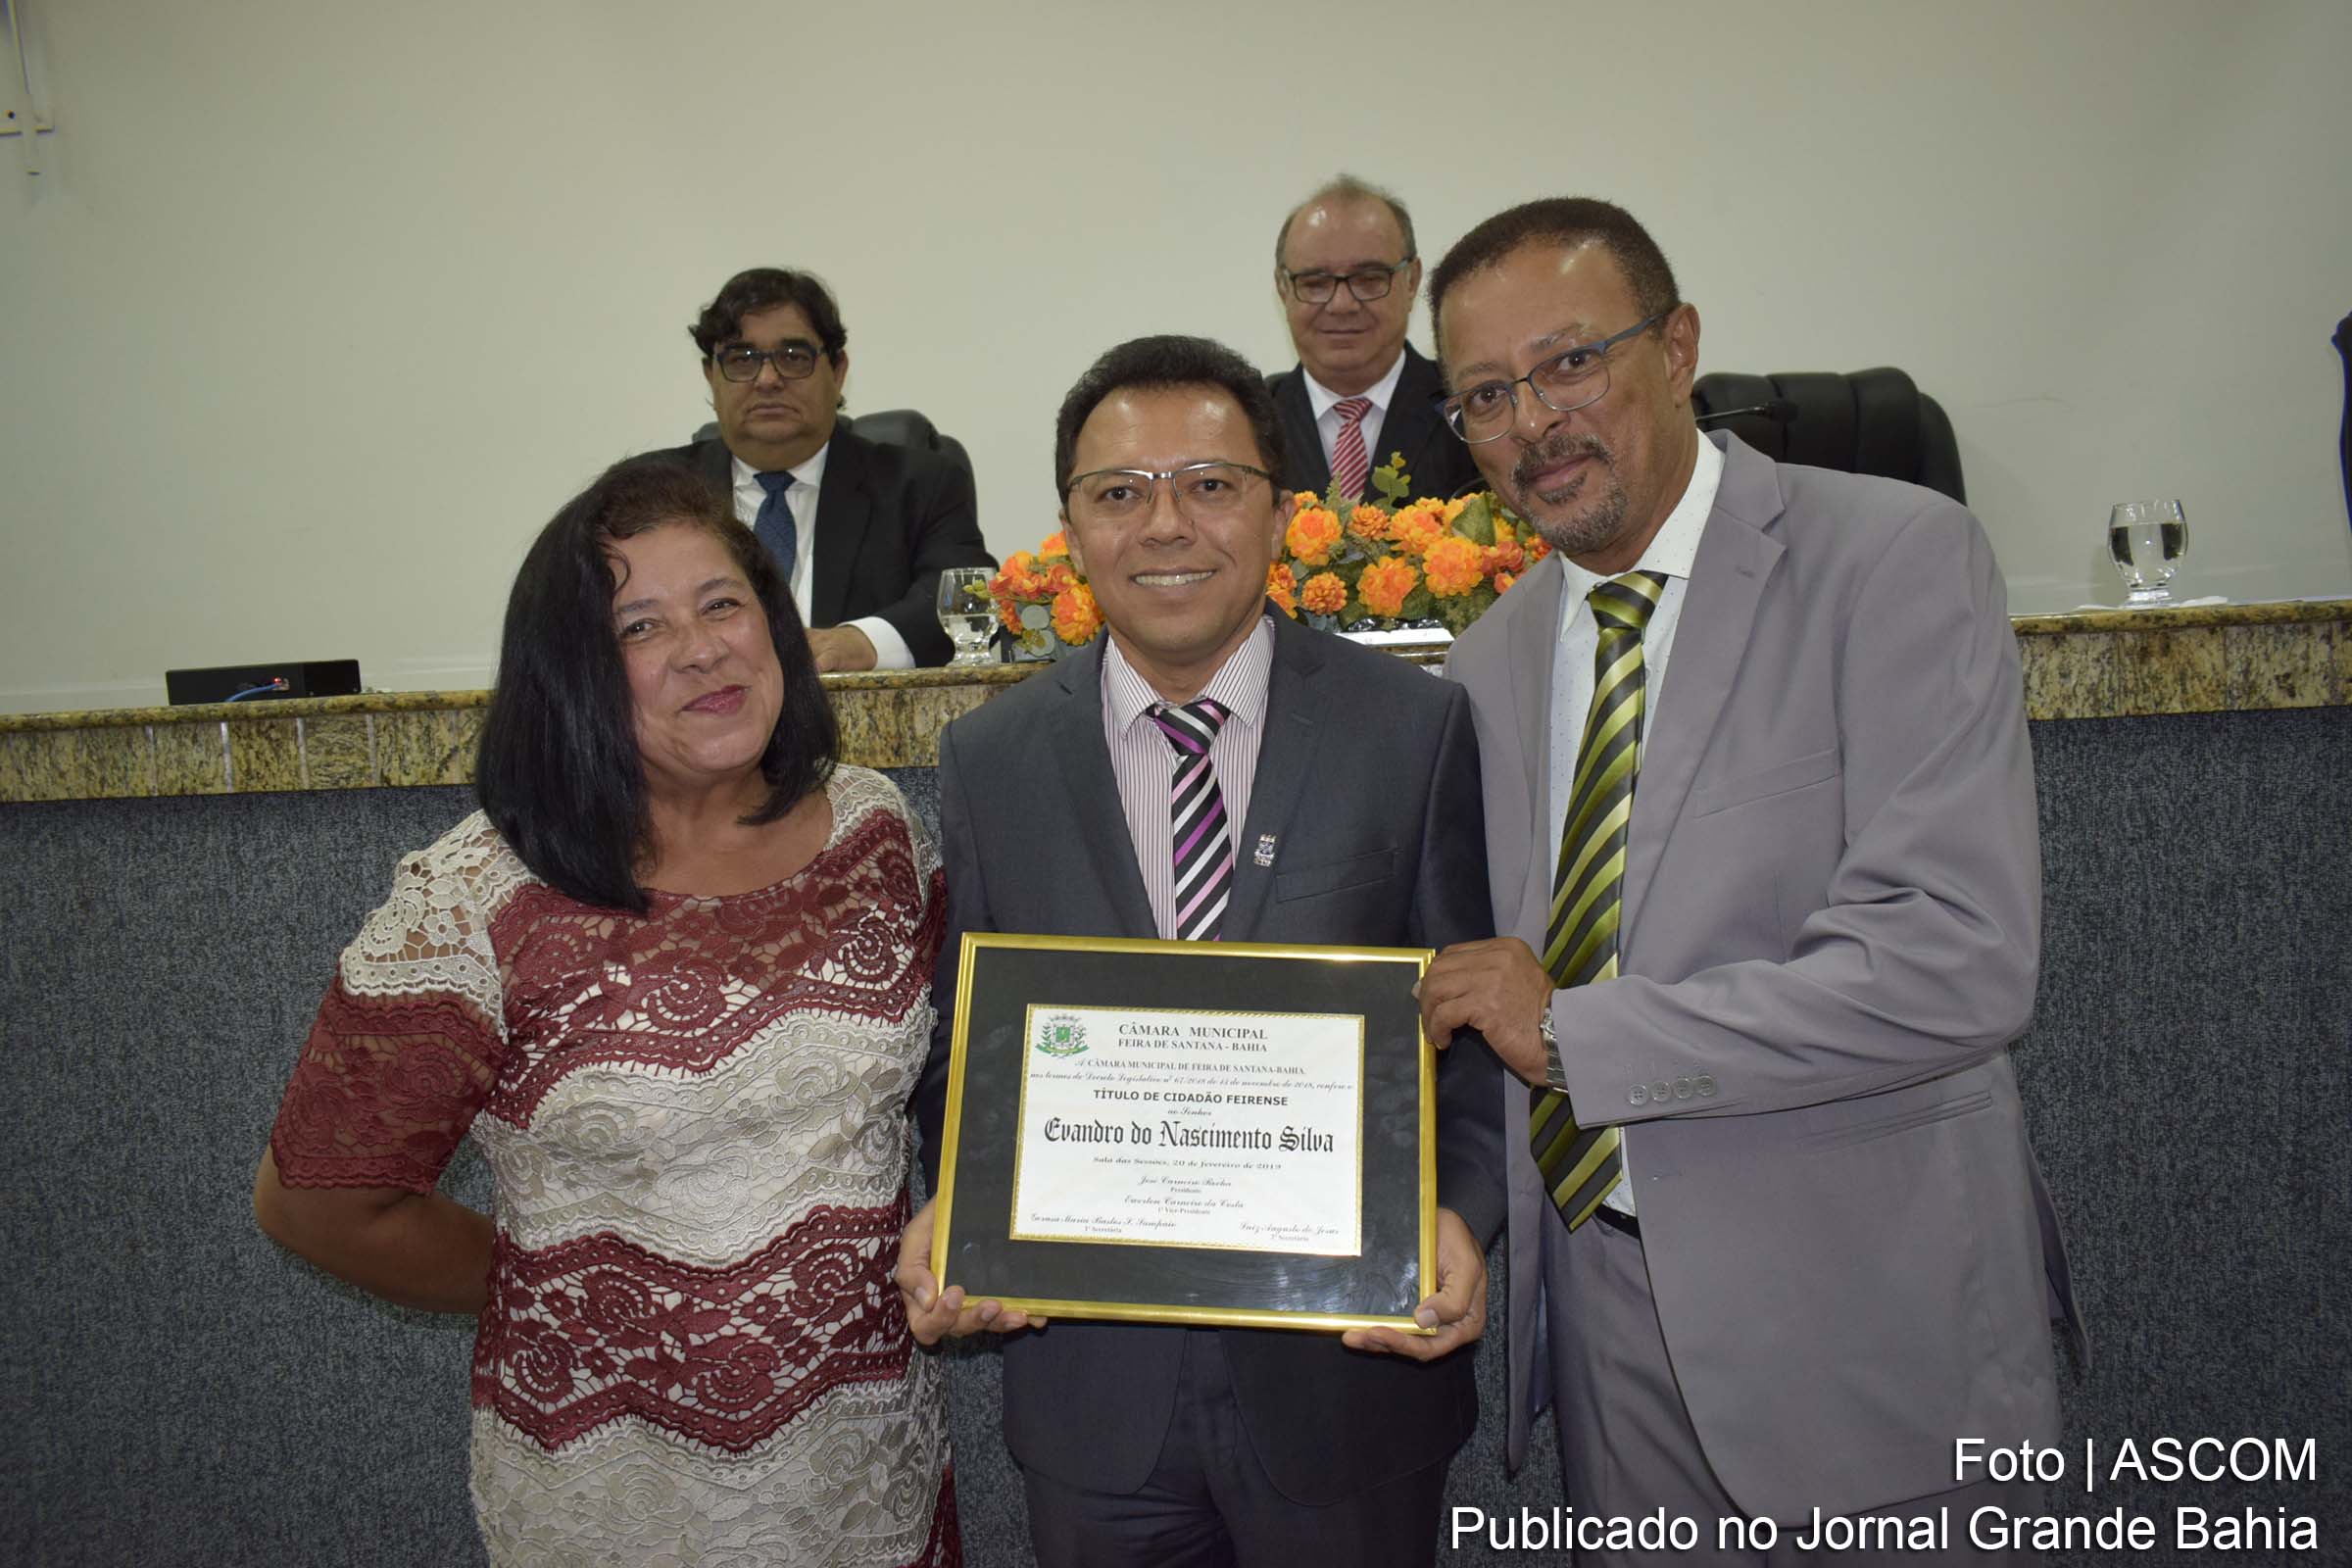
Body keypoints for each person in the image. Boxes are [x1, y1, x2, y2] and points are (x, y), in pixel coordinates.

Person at [1418, 198, 2083, 1563]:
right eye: (1486, 394)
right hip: (1604, 1346)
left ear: (1678, 348)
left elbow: (1953, 958)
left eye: (1568, 363)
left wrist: (1579, 1036)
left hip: (1860, 1333)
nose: (1532, 422)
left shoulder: (1894, 559)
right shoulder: (1485, 661)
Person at [253, 456, 959, 1566]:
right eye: (639, 627)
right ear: (571, 673)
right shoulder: (476, 899)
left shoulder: (878, 832)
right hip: (617, 1493)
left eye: (723, 603)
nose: (701, 647)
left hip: (867, 1472)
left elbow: (954, 1079)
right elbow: (318, 1202)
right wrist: (555, 1281)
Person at [892, 335, 1505, 1567]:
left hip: (1349, 1382)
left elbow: (1471, 1033)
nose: (1165, 525)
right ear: (1070, 524)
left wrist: (1464, 1216)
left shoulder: (1415, 729)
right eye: (1119, 493)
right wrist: (958, 1200)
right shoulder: (993, 759)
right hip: (1094, 1393)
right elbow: (975, 1047)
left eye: (1210, 484)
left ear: (1283, 509)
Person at [655, 267, 995, 671]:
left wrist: (865, 642)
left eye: (793, 357)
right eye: (742, 360)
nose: (767, 379)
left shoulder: (920, 485)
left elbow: (965, 596)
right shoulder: (652, 494)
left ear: (837, 371)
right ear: (711, 375)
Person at [1267, 176, 1483, 507]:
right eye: (1315, 283)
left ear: (1412, 281)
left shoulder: (1471, 410)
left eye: (1369, 279)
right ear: (1283, 289)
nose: (1342, 304)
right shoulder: (1249, 421)